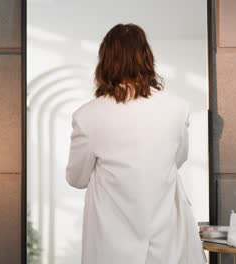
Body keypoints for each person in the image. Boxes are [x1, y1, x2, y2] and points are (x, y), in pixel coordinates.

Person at [65, 23, 206, 264]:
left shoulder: (87, 116)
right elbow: (177, 160)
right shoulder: (177, 108)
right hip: (168, 240)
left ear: (105, 61)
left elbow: (76, 179)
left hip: (112, 246)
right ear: (147, 58)